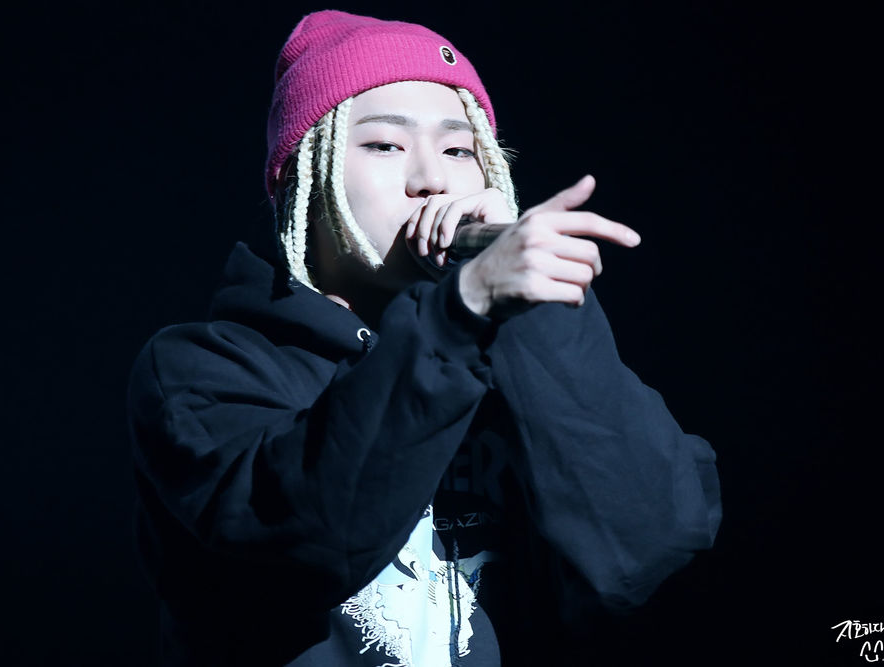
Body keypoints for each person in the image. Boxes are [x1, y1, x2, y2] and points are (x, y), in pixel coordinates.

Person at [127, 10, 721, 666]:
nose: (432, 179)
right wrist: (457, 315)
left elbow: (647, 546)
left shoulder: (520, 359)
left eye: (459, 150)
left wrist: (535, 310)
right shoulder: (203, 367)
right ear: (300, 174)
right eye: (386, 145)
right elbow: (304, 544)